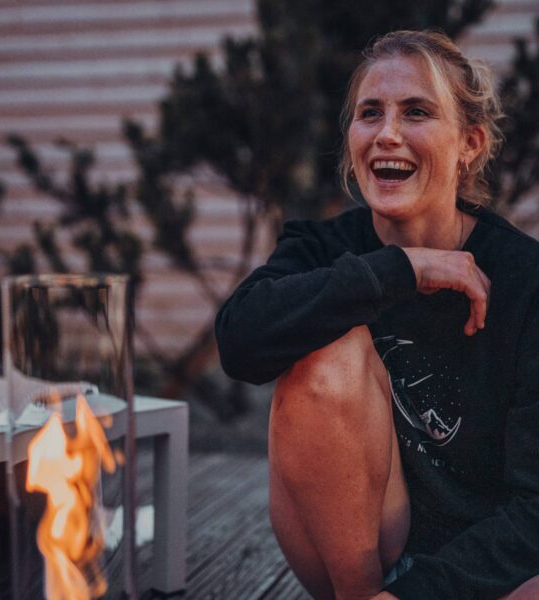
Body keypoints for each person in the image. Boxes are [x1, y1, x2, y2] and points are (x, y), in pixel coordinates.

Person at [215, 30, 539, 600]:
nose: (388, 133)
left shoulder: (526, 279)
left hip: (477, 575)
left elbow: (536, 508)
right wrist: (402, 269)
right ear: (351, 139)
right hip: (359, 562)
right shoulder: (320, 245)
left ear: (469, 142)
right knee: (326, 346)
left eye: (416, 112)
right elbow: (240, 342)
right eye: (370, 113)